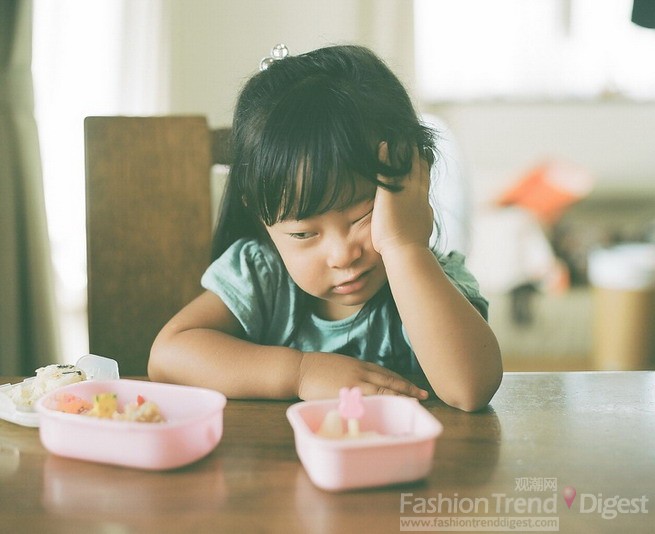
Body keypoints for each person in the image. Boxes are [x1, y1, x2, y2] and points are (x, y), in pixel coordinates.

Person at [148, 44, 502, 411]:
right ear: (261, 218)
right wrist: (300, 372)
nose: (342, 254)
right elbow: (168, 356)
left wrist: (403, 247)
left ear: (414, 185)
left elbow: (470, 389)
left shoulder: (428, 279)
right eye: (303, 234)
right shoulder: (262, 274)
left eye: (362, 215)